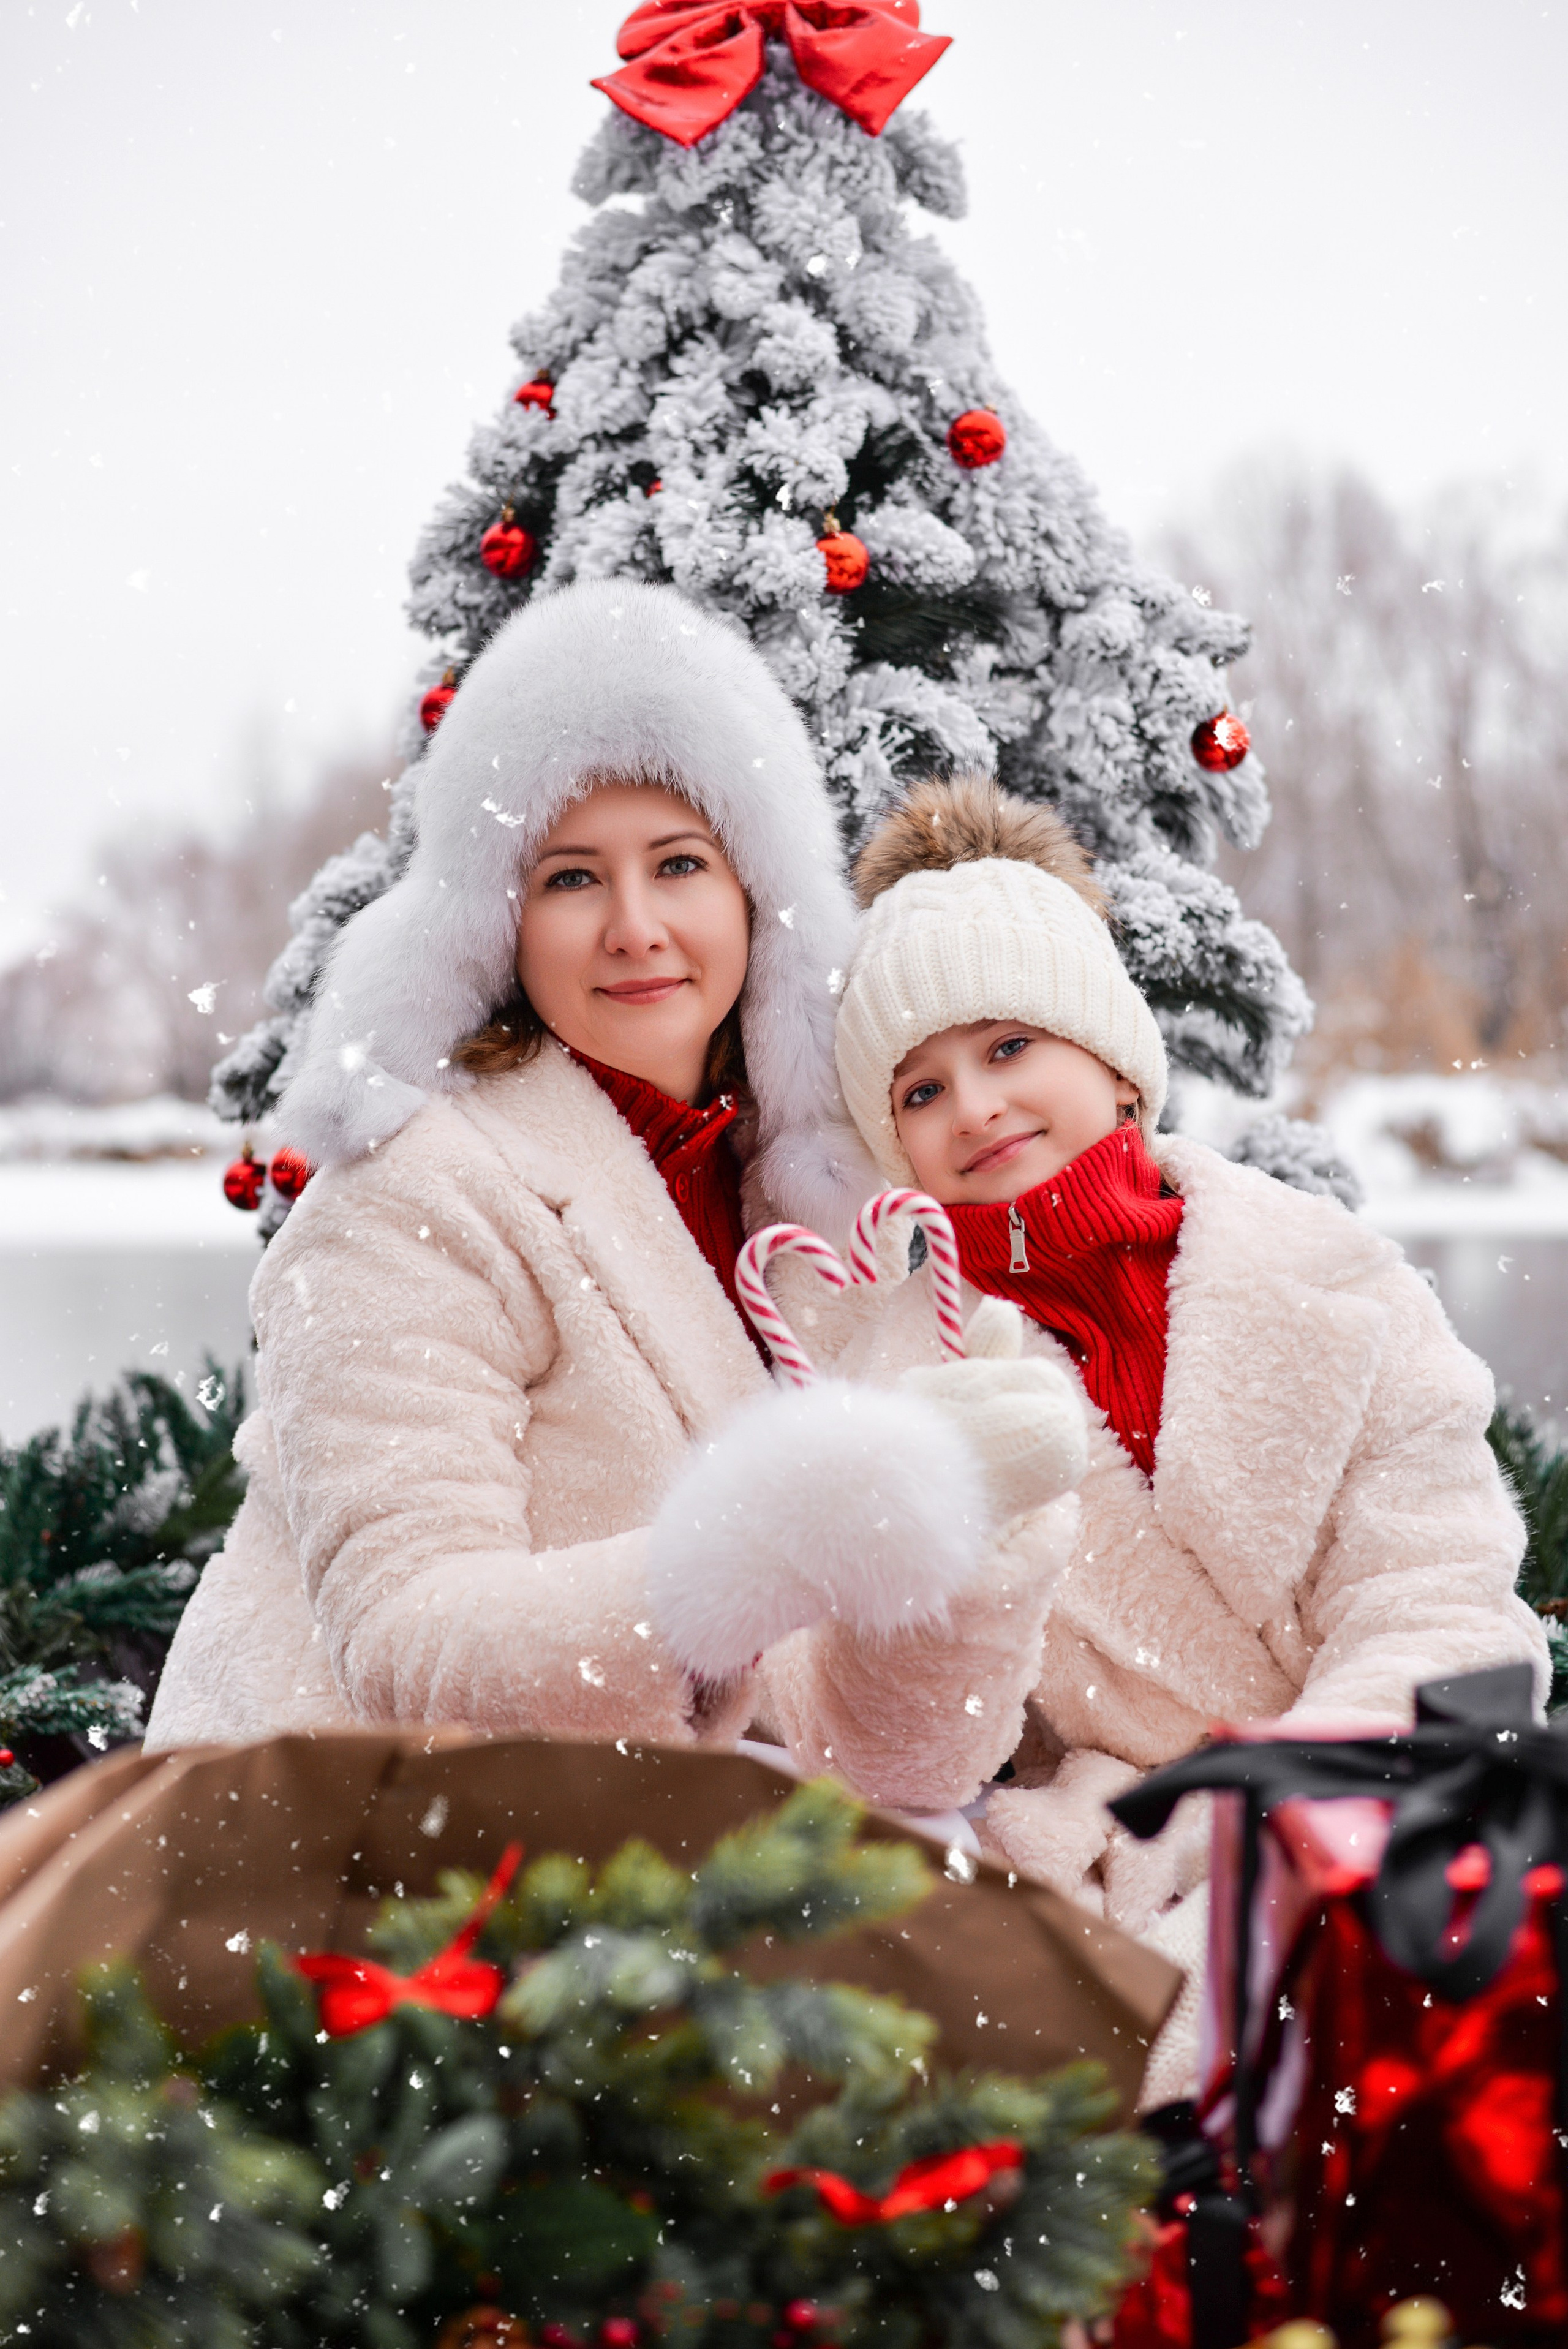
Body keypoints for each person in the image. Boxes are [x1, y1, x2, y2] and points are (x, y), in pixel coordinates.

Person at [145, 589, 1085, 1757]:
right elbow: (405, 1649)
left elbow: (898, 1761)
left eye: (681, 863)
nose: (635, 927)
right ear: (496, 925)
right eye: (572, 878)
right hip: (358, 1867)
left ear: (758, 896)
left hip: (686, 1861)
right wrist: (775, 1541)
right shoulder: (408, 1201)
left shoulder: (828, 1211)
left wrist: (969, 1547)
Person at [776, 770, 1544, 2094]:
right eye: (920, 1090)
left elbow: (1434, 1598)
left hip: (1377, 1815)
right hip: (1095, 1871)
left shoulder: (1331, 1280)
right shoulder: (888, 1386)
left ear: (1111, 1060)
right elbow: (896, 1739)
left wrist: (1277, 1828)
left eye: (1007, 1047)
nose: (973, 1107)